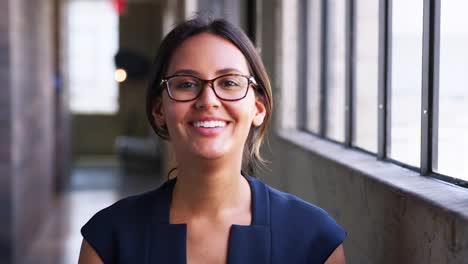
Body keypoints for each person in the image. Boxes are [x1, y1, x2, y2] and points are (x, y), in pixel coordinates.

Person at [78, 16, 346, 264]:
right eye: (186, 84)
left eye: (229, 82)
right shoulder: (109, 239)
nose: (208, 101)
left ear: (258, 109)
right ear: (160, 110)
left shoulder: (315, 240)